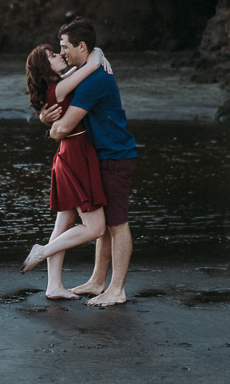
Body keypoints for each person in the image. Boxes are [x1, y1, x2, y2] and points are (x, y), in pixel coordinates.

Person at [46, 18, 137, 307]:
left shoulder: (94, 81)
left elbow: (63, 128)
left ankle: (117, 289)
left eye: (65, 47)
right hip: (104, 156)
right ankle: (98, 281)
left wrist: (51, 129)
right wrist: (97, 56)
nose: (62, 54)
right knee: (108, 221)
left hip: (115, 156)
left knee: (118, 224)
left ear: (81, 46)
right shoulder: (88, 72)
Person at [21, 43, 113, 300]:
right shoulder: (60, 87)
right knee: (96, 228)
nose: (60, 55)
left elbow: (83, 65)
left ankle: (53, 286)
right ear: (44, 67)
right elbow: (92, 64)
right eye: (52, 55)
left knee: (63, 223)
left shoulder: (59, 84)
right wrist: (98, 52)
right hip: (75, 155)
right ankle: (42, 250)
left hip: (69, 153)